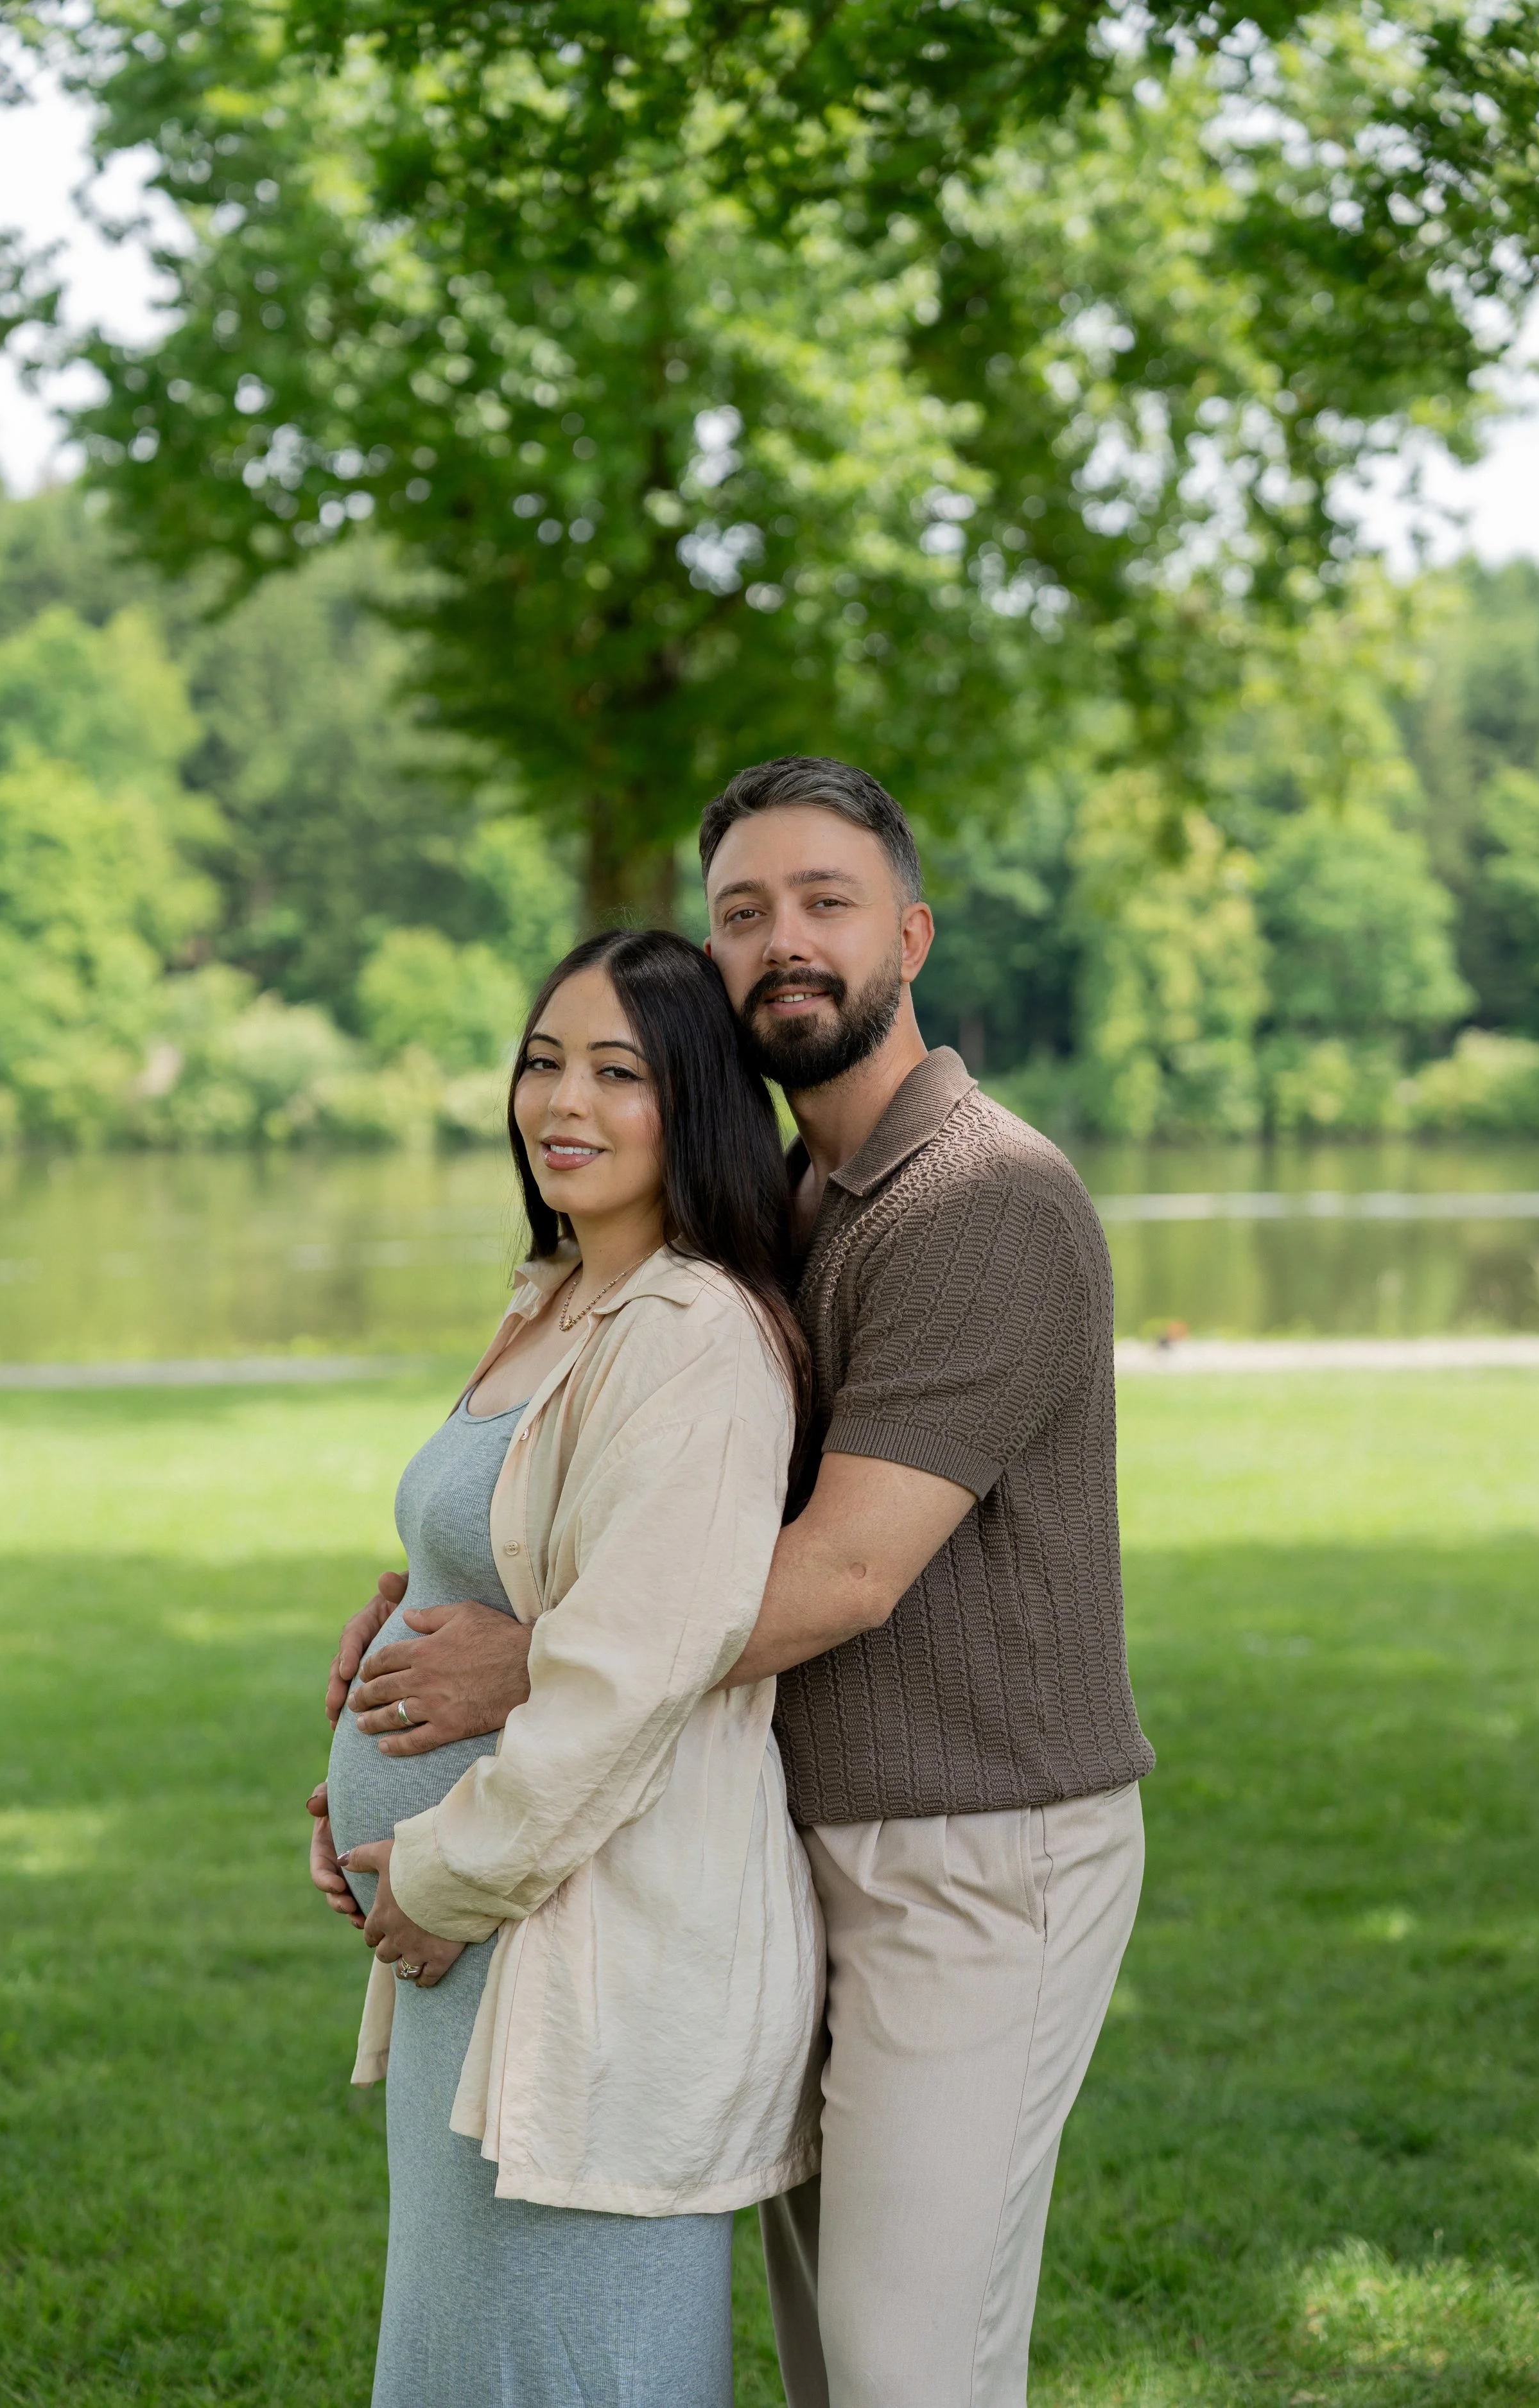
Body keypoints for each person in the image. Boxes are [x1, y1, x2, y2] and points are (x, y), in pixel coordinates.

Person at [318, 757, 1155, 2408]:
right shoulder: (780, 1205)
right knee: (829, 2362)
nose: (783, 940)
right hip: (791, 1828)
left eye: (824, 903)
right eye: (742, 913)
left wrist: (522, 1667)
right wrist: (433, 1578)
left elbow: (842, 1570)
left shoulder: (984, 1199)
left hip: (967, 1851)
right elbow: (644, 1501)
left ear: (908, 934)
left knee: (911, 2369)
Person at [316, 927, 824, 2408]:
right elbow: (515, 1570)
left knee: (570, 2369)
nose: (563, 1101)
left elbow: (628, 1681)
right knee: (462, 2360)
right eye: (543, 1061)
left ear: (700, 1105)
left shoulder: (698, 1336)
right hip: (475, 1941)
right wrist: (371, 1782)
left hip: (579, 1949)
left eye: (620, 1071)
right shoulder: (552, 1298)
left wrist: (433, 1875)